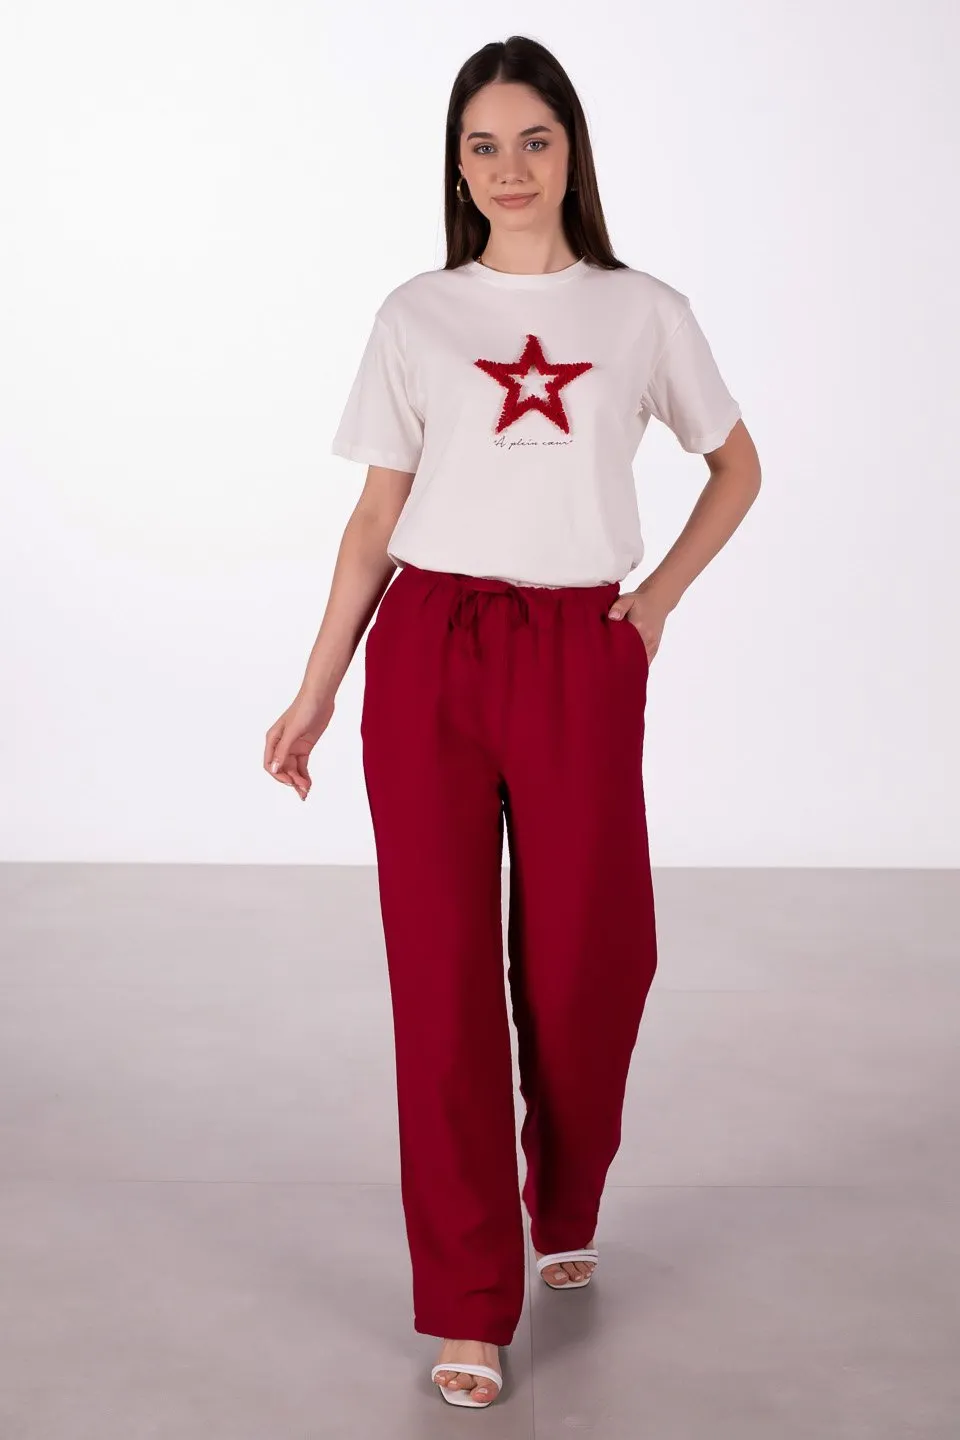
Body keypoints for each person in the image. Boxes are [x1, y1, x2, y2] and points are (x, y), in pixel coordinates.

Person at [264, 33, 761, 1412]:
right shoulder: (417, 316)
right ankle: (469, 1299)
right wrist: (318, 687)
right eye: (482, 145)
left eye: (533, 140)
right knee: (442, 985)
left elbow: (736, 465)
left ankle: (566, 1193)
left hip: (578, 652)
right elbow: (376, 516)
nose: (509, 168)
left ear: (572, 150)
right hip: (431, 647)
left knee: (594, 962)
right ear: (457, 167)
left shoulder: (641, 311)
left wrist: (654, 603)